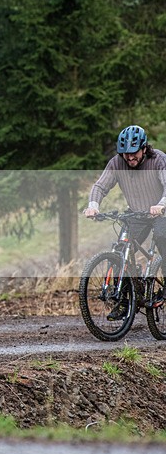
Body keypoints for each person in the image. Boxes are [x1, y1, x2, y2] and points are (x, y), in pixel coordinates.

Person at [84, 125, 166, 319]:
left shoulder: (159, 160)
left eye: (133, 153)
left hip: (161, 212)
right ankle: (124, 301)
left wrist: (161, 205)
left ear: (144, 148)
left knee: (162, 235)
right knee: (121, 250)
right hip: (137, 214)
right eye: (125, 154)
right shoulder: (116, 163)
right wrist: (93, 205)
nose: (129, 158)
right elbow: (100, 186)